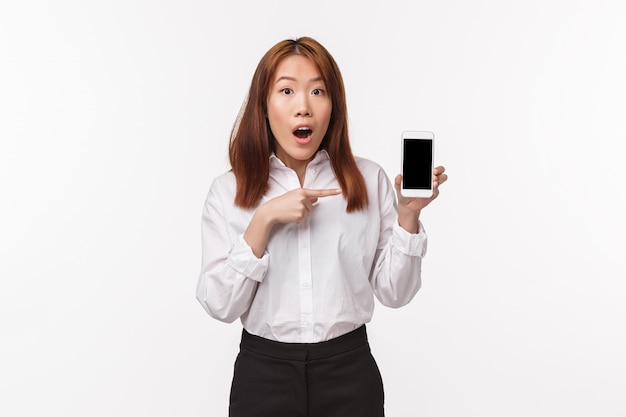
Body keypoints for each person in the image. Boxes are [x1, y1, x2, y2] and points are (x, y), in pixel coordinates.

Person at [196, 36, 447, 417]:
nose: (303, 107)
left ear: (334, 105)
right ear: (263, 106)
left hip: (349, 372)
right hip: (263, 375)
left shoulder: (368, 180)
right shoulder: (228, 190)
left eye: (318, 90)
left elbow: (396, 293)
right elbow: (219, 305)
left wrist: (409, 217)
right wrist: (262, 221)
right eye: (286, 90)